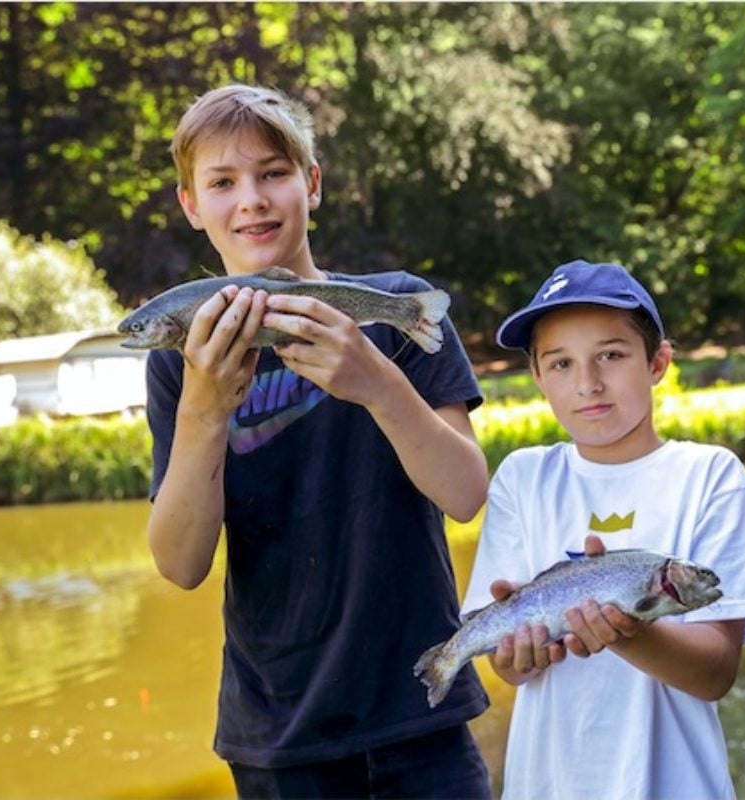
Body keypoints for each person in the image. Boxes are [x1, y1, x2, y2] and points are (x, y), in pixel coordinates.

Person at [143, 84, 492, 798]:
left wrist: (377, 382)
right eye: (222, 182)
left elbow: (466, 495)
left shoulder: (396, 306)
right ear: (191, 206)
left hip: (422, 709)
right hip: (277, 735)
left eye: (273, 172)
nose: (252, 200)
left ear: (312, 182)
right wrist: (206, 408)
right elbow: (179, 564)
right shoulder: (176, 358)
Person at [462, 259, 745, 800]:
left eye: (611, 356)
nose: (588, 383)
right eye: (562, 363)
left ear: (658, 362)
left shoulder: (710, 476)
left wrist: (630, 632)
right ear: (538, 377)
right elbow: (510, 668)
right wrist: (515, 656)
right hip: (549, 782)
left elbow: (715, 673)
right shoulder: (522, 478)